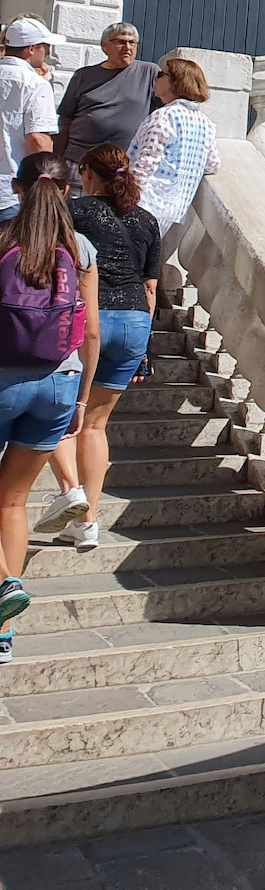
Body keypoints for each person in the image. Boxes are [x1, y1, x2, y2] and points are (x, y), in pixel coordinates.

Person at [1, 153, 100, 662]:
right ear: (66, 191)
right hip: (60, 384)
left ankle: (5, 583)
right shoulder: (80, 249)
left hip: (3, 379)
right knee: (12, 502)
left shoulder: (2, 239)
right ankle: (2, 634)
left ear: (17, 188)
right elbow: (92, 332)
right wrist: (82, 398)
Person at [33, 145, 156, 552]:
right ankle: (87, 524)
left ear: (87, 173)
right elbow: (150, 288)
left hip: (93, 318)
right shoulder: (146, 219)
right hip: (136, 322)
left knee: (61, 415)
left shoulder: (77, 211)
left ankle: (71, 493)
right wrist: (146, 351)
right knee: (96, 426)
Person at [127, 58, 221, 237]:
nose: (155, 79)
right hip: (173, 211)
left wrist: (124, 203)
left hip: (145, 205)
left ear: (175, 81)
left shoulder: (164, 116)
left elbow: (144, 166)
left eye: (160, 75)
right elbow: (213, 165)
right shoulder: (206, 124)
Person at [55, 23, 158, 168]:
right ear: (104, 46)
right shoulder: (84, 76)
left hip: (126, 164)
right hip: (81, 161)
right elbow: (65, 119)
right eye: (121, 42)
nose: (128, 47)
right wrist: (58, 160)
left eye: (132, 42)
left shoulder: (149, 73)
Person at [0, 19, 61, 227]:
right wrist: (50, 181)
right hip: (11, 191)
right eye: (45, 46)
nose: (48, 52)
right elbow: (38, 139)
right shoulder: (35, 84)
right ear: (32, 48)